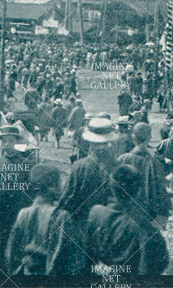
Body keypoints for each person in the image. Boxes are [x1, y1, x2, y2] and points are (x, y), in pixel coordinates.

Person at [48, 117, 118, 275]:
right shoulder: (118, 167)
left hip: (84, 231)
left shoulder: (80, 167)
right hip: (113, 232)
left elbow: (68, 200)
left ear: (90, 141)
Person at [86, 165, 169, 275]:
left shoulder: (95, 213)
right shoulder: (144, 228)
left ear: (111, 187)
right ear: (138, 191)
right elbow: (156, 266)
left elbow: (86, 258)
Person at [0, 125, 37, 274]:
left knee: (19, 254)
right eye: (4, 141)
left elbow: (32, 193)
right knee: (1, 255)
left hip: (20, 216)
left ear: (16, 142)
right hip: (0, 217)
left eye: (10, 141)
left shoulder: (27, 164)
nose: (7, 145)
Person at [6, 163, 63, 275]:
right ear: (54, 186)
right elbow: (58, 254)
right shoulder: (59, 215)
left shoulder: (24, 213)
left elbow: (11, 251)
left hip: (28, 272)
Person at [116, 122, 172, 231]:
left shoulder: (122, 159)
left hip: (125, 216)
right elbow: (161, 193)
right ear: (150, 138)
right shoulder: (154, 163)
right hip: (148, 217)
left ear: (133, 137)